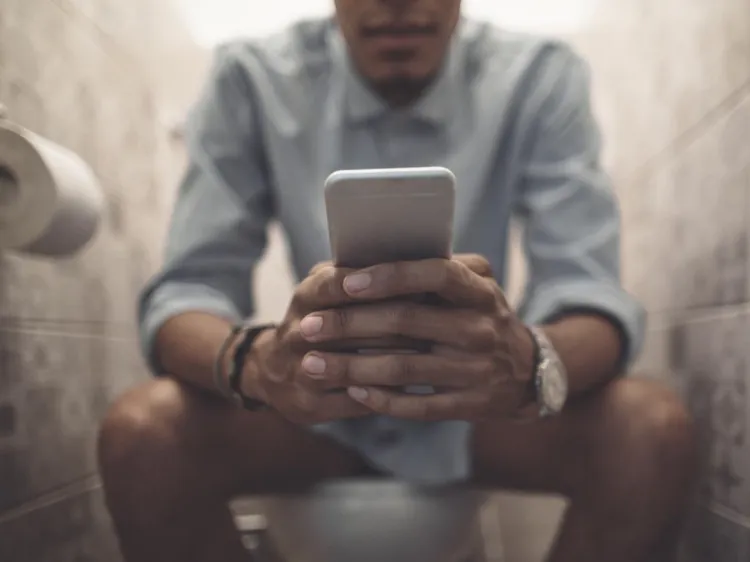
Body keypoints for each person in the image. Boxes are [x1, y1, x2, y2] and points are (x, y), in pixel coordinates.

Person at [97, 1, 696, 561]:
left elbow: (591, 295)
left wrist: (525, 359)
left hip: (475, 414)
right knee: (143, 436)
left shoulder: (539, 75)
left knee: (648, 433)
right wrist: (255, 364)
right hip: (319, 414)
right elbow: (185, 293)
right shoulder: (250, 78)